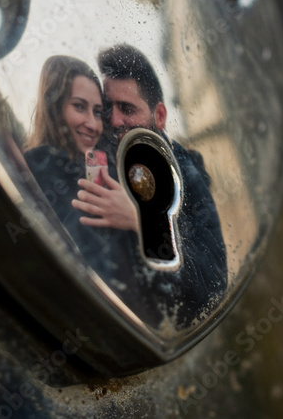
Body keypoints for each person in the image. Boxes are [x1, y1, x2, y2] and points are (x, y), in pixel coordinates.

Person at [74, 44, 228, 325]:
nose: (114, 120)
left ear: (159, 116)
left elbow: (214, 286)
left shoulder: (186, 174)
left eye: (127, 109)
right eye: (108, 107)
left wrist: (142, 222)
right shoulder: (100, 157)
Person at [22, 55, 140, 287]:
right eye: (79, 106)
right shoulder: (34, 171)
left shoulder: (106, 169)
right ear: (53, 107)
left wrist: (134, 217)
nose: (93, 124)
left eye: (97, 112)